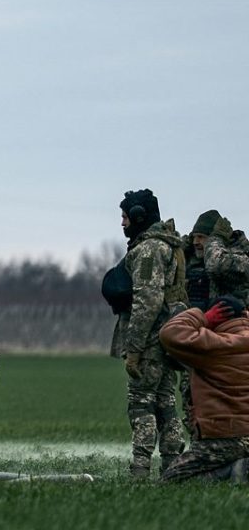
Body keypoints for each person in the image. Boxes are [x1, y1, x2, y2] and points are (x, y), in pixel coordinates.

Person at [112, 188, 187, 478]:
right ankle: (173, 468)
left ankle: (140, 468)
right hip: (168, 339)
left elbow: (147, 301)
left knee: (141, 403)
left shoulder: (148, 250)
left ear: (139, 217)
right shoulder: (169, 245)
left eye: (125, 217)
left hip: (151, 342)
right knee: (166, 401)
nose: (122, 223)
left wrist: (134, 350)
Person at [158, 294, 249, 482]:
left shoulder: (212, 345)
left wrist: (204, 317)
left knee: (172, 481)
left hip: (224, 439)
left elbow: (170, 333)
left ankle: (234, 470)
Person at [200, 213, 249, 301]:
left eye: (201, 237)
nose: (195, 242)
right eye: (193, 237)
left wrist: (216, 237)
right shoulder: (198, 258)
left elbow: (215, 265)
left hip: (235, 313)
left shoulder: (243, 257)